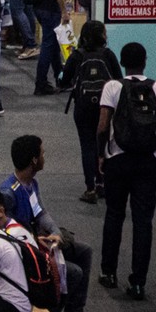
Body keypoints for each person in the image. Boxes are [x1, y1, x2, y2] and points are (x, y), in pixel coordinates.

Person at [0, 135, 103, 312]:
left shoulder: (31, 184)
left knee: (84, 251)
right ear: (34, 160)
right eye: (43, 153)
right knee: (72, 272)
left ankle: (75, 311)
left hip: (39, 242)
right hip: (25, 251)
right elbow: (6, 232)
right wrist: (36, 241)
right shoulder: (8, 193)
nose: (45, 156)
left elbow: (41, 213)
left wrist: (55, 234)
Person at [97, 42, 156, 301]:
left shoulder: (113, 87)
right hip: (149, 161)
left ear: (122, 61)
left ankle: (109, 272)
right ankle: (138, 282)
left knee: (114, 215)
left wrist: (100, 155)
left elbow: (103, 125)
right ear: (145, 61)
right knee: (143, 221)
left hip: (118, 158)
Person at [60, 20, 121, 202]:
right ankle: (103, 183)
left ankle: (90, 187)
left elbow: (64, 81)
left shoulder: (78, 55)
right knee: (104, 143)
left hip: (83, 106)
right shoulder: (108, 55)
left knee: (87, 145)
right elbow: (118, 80)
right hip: (106, 107)